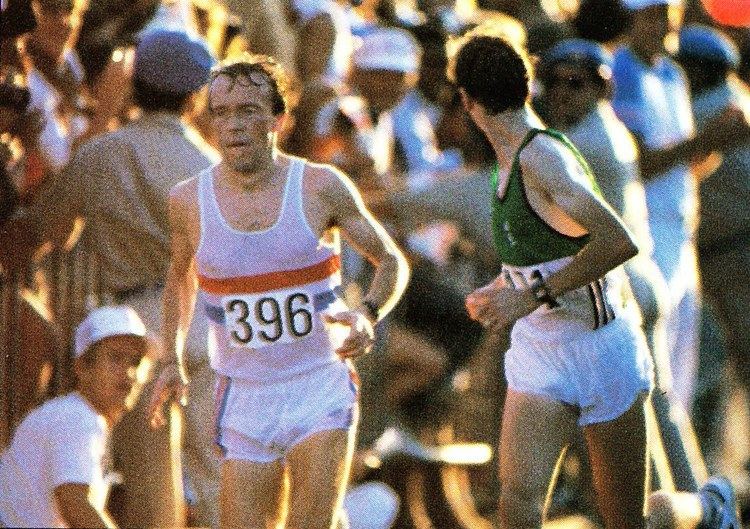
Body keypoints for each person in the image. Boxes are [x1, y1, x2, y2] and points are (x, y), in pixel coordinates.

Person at [148, 53, 409, 528]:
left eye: (248, 111)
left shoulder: (319, 186)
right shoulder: (187, 199)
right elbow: (178, 280)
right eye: (221, 113)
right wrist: (171, 358)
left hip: (317, 382)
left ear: (279, 119)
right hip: (244, 392)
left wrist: (367, 313)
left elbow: (390, 260)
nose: (233, 125)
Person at [0, 29, 221, 528]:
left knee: (151, 486)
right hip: (210, 321)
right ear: (195, 96)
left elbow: (41, 232)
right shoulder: (211, 166)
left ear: (135, 86)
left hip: (140, 324)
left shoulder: (106, 153)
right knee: (211, 483)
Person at [448, 24, 654, 528]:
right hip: (541, 350)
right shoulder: (505, 161)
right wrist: (503, 287)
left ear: (468, 101)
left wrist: (529, 296)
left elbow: (617, 240)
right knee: (516, 505)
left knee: (628, 519)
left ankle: (708, 510)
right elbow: (544, 250)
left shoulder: (542, 157)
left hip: (599, 346)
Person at [536, 37, 743, 529]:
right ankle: (706, 507)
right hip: (635, 281)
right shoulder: (600, 128)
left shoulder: (584, 139)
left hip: (622, 287)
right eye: (554, 83)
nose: (562, 93)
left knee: (636, 421)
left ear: (601, 87)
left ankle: (695, 509)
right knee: (658, 409)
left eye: (576, 83)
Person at [0, 305, 151, 528]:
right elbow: (76, 506)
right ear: (82, 368)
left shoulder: (75, 413)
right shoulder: (77, 418)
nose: (128, 373)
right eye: (115, 358)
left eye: (135, 362)